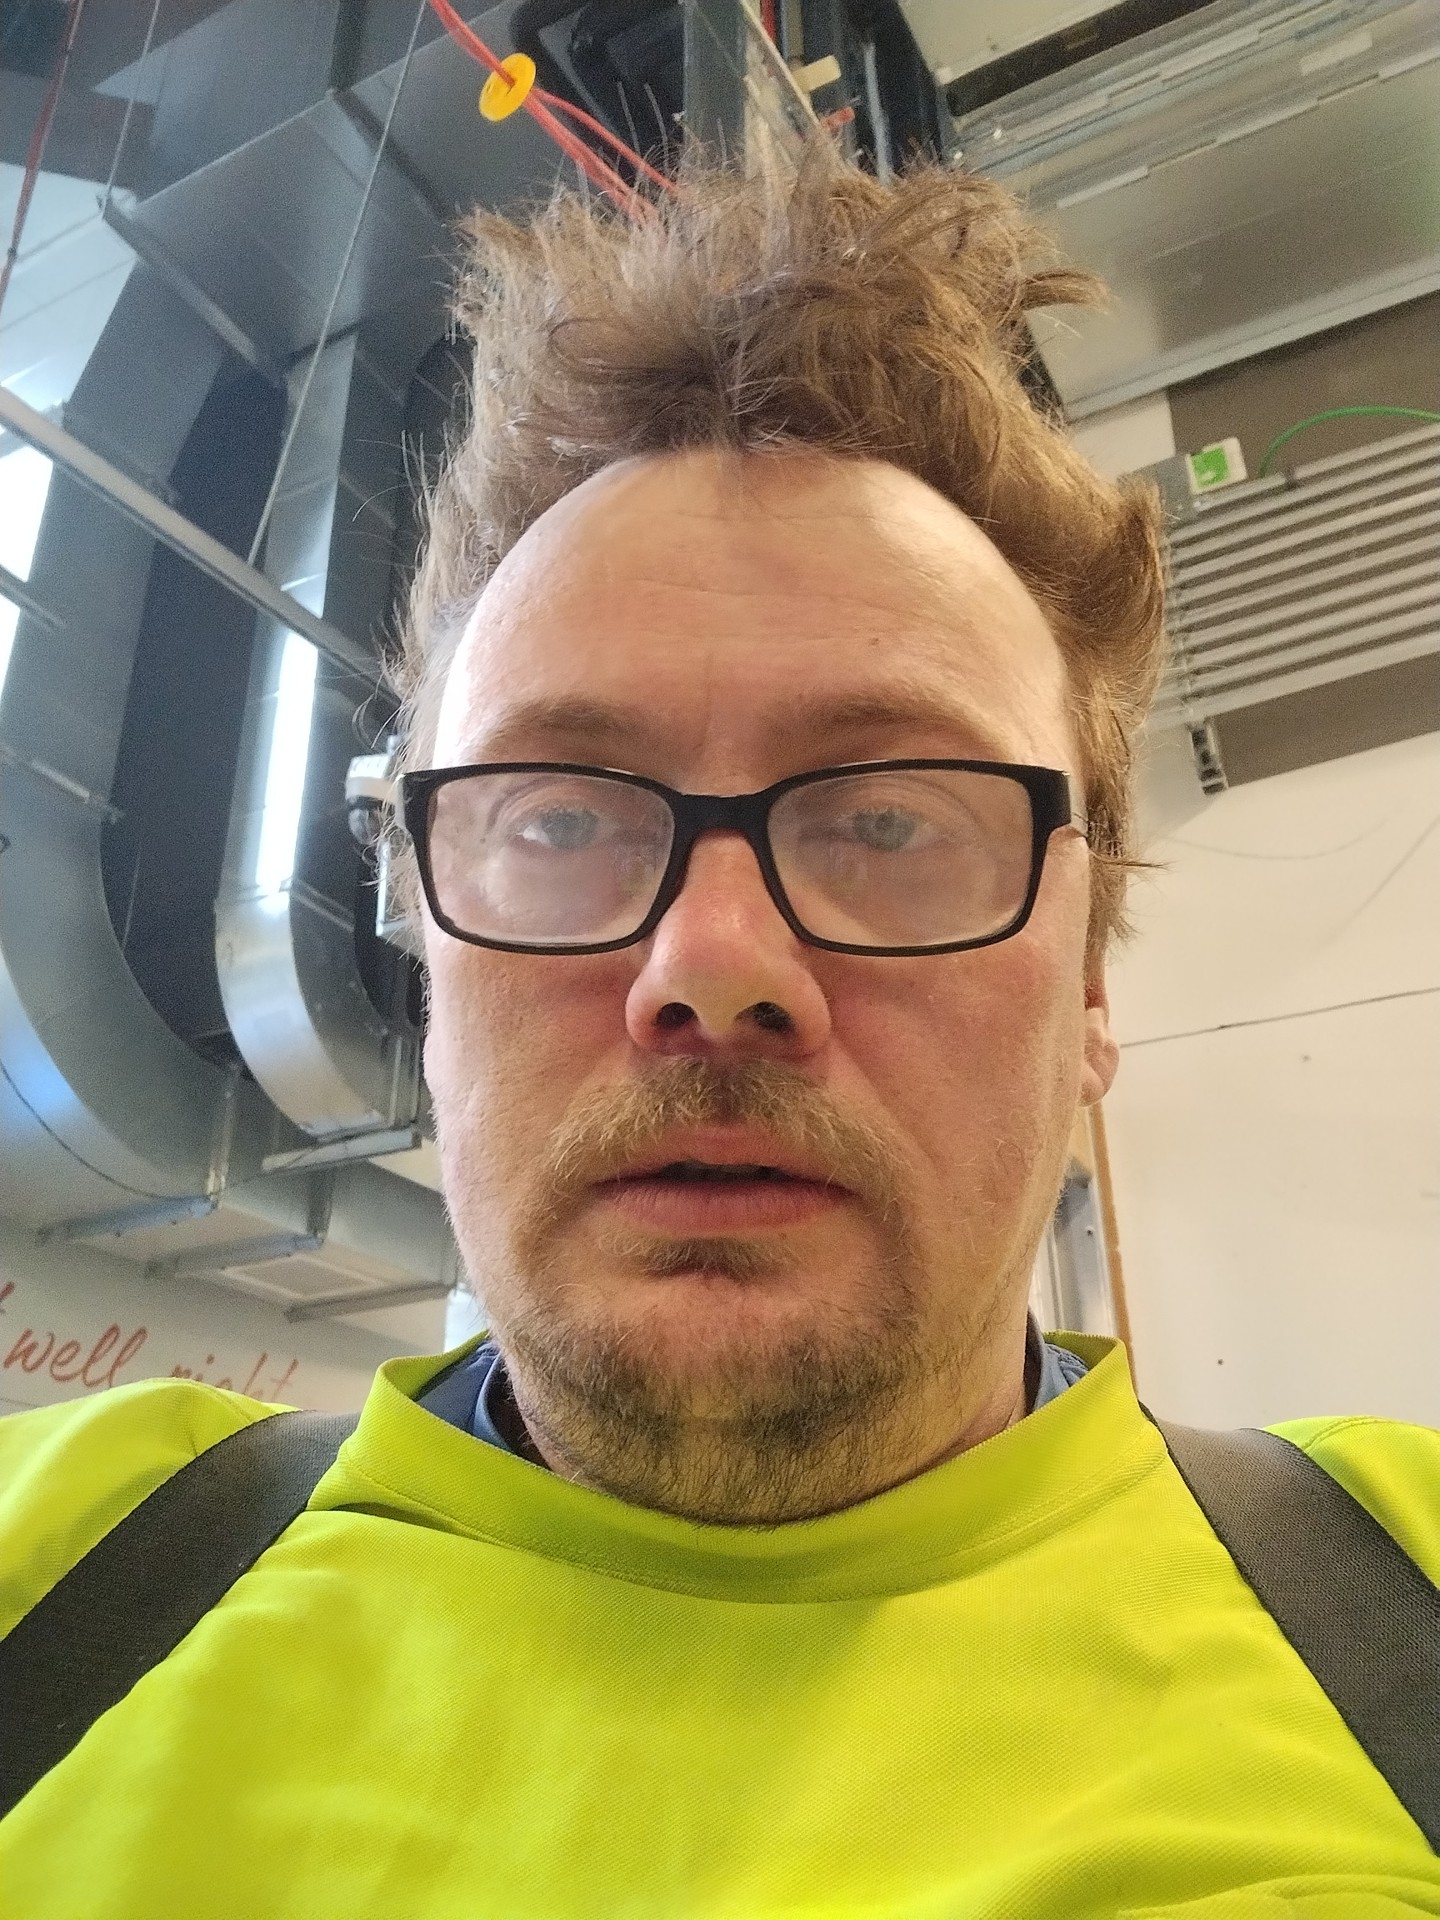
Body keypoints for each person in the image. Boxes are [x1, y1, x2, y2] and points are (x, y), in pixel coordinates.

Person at [2, 147, 1437, 1917]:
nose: (712, 964)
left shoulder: (1403, 1596)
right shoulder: (58, 1565)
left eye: (892, 818)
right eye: (560, 816)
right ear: (428, 964)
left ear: (1086, 995)